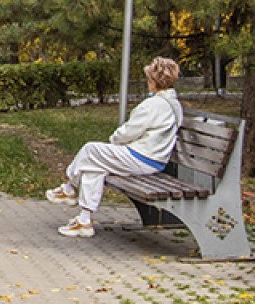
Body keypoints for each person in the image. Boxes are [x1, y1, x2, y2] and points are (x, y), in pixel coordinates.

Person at [45, 56, 183, 238]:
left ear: (154, 82)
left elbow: (128, 132)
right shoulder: (174, 104)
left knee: (90, 150)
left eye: (149, 80)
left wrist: (114, 139)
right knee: (94, 167)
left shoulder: (153, 105)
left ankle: (70, 188)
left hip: (142, 158)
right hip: (153, 158)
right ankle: (84, 220)